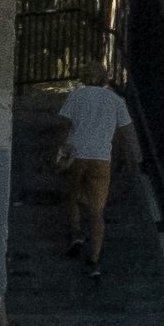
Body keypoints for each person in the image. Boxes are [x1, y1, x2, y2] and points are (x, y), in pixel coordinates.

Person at [57, 74, 134, 266]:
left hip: (77, 154)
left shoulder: (76, 96)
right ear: (104, 80)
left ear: (85, 78)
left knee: (73, 195)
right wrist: (136, 158)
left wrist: (61, 148)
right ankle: (95, 258)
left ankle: (76, 233)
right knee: (97, 211)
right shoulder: (117, 100)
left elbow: (64, 125)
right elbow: (127, 131)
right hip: (101, 159)